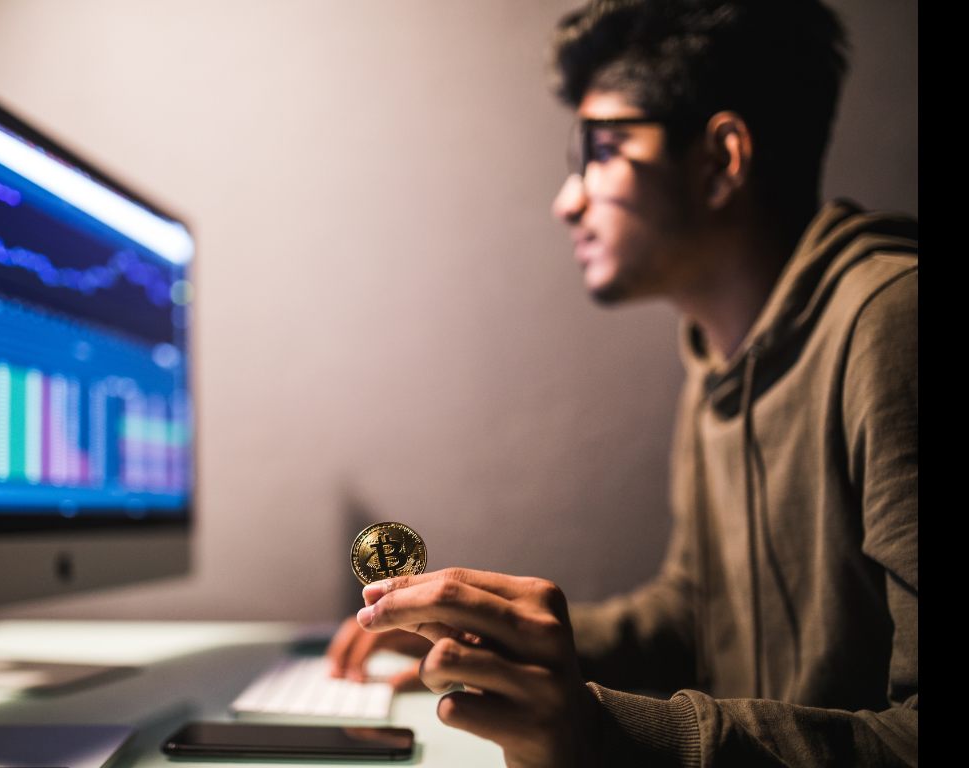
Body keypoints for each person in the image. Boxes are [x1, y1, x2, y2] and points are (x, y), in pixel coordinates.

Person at [325, 0, 918, 765]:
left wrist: (602, 732)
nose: (567, 200)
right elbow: (698, 615)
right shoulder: (716, 358)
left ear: (721, 160)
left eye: (600, 151)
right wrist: (487, 643)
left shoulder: (894, 327)